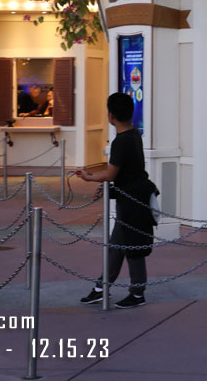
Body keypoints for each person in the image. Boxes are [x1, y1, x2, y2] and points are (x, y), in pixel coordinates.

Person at [78, 92, 159, 309]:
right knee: (116, 246)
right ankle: (101, 287)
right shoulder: (133, 135)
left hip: (132, 202)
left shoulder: (120, 142)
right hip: (133, 197)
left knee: (133, 247)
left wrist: (89, 177)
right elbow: (128, 173)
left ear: (111, 115)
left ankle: (137, 293)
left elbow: (110, 174)